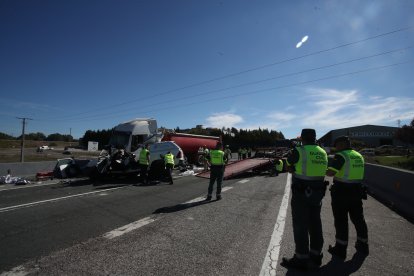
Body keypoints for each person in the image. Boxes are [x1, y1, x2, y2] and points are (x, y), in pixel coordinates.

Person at [281, 128, 328, 270]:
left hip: (302, 192)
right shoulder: (322, 151)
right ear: (315, 138)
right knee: (315, 223)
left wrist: (294, 169)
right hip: (318, 192)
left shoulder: (299, 151)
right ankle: (316, 254)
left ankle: (301, 258)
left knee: (300, 224)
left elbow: (288, 166)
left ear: (302, 138)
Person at [326, 136, 369, 259]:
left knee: (341, 220)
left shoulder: (341, 155)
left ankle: (340, 248)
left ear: (342, 144)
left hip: (342, 192)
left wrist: (324, 170)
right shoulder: (358, 155)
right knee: (358, 219)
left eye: (337, 145)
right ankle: (363, 245)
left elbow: (331, 173)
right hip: (357, 191)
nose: (336, 148)